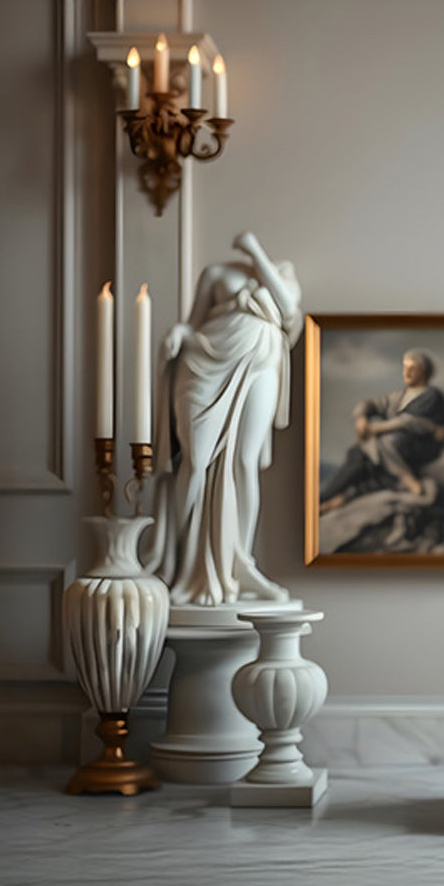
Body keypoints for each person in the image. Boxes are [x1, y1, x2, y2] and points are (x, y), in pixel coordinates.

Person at [146, 232, 302, 606]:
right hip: (205, 359)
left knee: (246, 461)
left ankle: (239, 564)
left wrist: (254, 250)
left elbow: (287, 311)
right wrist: (177, 333)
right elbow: (193, 322)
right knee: (196, 461)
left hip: (261, 360)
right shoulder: (215, 273)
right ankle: (186, 563)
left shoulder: (282, 272)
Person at [319, 350, 444, 512]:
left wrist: (375, 428)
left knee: (382, 442)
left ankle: (405, 478)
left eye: (413, 368)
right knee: (359, 454)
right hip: (391, 450)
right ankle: (329, 497)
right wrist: (361, 417)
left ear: (423, 372)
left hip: (418, 447)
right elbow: (371, 404)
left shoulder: (431, 395)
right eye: (405, 367)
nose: (407, 372)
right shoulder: (399, 395)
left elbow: (410, 422)